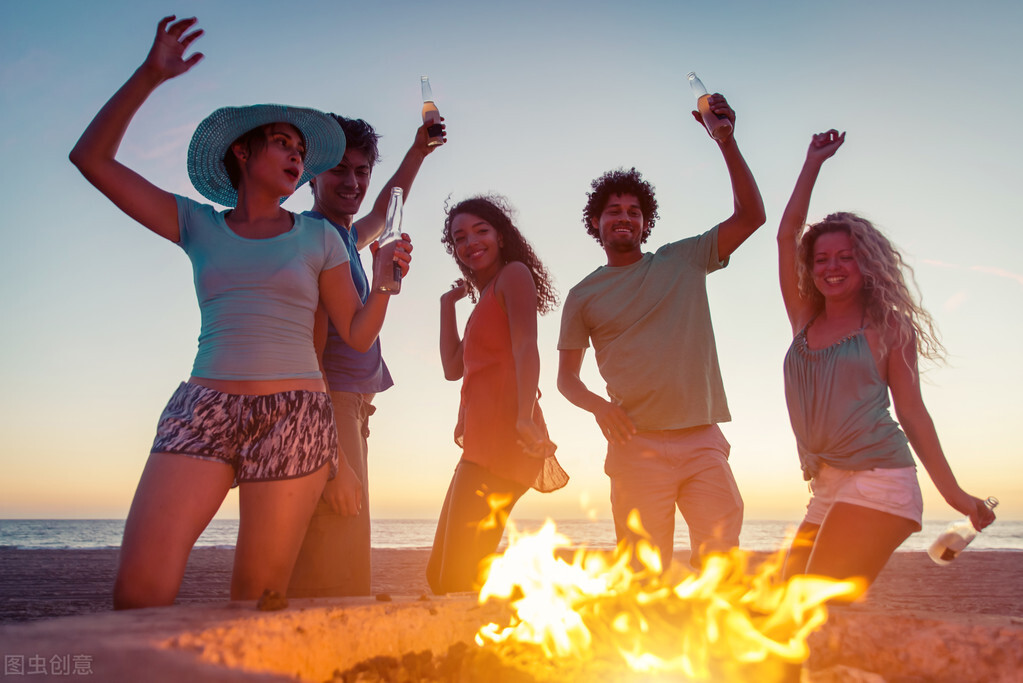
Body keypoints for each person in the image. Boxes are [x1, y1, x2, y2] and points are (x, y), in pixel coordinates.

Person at [68, 16, 410, 608]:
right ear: (242, 152)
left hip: (295, 414)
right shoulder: (196, 222)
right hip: (203, 407)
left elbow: (355, 335)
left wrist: (382, 285)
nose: (297, 156)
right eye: (284, 142)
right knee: (138, 593)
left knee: (258, 602)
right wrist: (149, 76)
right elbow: (91, 159)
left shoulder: (320, 238)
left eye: (302, 151)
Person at [777, 129, 995, 587]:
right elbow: (785, 235)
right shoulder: (803, 319)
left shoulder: (889, 329)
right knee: (777, 603)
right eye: (821, 259)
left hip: (880, 481)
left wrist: (954, 495)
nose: (832, 267)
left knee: (810, 601)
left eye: (846, 257)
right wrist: (812, 163)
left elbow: (912, 414)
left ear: (866, 263)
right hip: (825, 486)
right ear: (810, 267)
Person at [557, 94, 765, 571]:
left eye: (634, 211)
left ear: (646, 223)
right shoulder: (583, 295)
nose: (624, 217)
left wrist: (726, 143)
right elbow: (567, 379)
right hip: (635, 449)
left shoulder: (684, 259)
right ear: (596, 223)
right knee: (643, 577)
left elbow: (752, 216)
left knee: (719, 570)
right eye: (613, 210)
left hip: (702, 440)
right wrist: (600, 408)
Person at [289, 116, 446, 597]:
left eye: (362, 170)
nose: (353, 182)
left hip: (353, 409)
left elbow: (384, 207)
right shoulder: (315, 235)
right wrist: (335, 457)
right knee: (337, 558)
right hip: (329, 406)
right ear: (311, 175)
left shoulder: (342, 237)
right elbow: (306, 352)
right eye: (339, 170)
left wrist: (418, 151)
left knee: (337, 549)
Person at [427, 195, 569, 594]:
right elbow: (452, 368)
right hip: (479, 444)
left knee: (456, 578)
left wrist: (524, 416)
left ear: (501, 236)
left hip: (506, 439)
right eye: (459, 238)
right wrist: (446, 306)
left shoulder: (514, 275)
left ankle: (468, 653)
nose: (470, 242)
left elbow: (527, 346)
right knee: (442, 573)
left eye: (481, 231)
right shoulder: (484, 299)